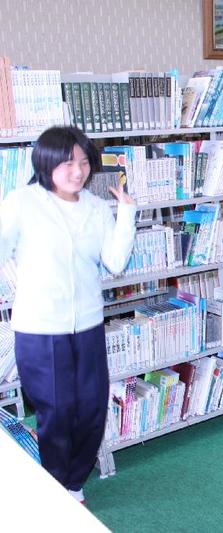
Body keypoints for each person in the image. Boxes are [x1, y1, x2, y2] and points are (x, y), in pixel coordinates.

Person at [0, 126, 136, 504]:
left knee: (91, 409)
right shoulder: (22, 202)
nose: (78, 171)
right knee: (57, 413)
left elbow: (115, 262)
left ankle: (74, 484)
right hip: (40, 329)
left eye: (83, 162)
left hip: (88, 325)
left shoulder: (95, 207)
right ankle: (55, 490)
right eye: (67, 163)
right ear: (46, 163)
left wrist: (126, 214)